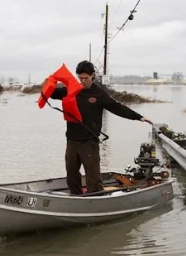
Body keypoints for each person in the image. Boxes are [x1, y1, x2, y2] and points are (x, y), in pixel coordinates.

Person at [44, 60, 153, 196]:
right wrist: (47, 85)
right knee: (71, 173)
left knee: (93, 176)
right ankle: (76, 197)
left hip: (89, 142)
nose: (83, 81)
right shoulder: (71, 89)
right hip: (72, 140)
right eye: (80, 78)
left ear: (93, 75)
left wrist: (138, 117)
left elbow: (117, 107)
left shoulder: (99, 93)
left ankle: (96, 197)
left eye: (86, 78)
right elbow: (53, 94)